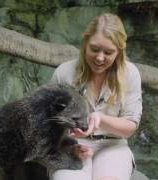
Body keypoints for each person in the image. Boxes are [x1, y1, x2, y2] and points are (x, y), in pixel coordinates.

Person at [50, 13, 143, 180]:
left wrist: (100, 118)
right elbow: (49, 123)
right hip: (71, 146)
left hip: (113, 145)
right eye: (94, 49)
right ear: (85, 43)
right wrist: (69, 145)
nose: (99, 58)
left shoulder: (130, 74)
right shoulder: (63, 73)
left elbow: (130, 127)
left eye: (108, 52)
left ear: (119, 52)